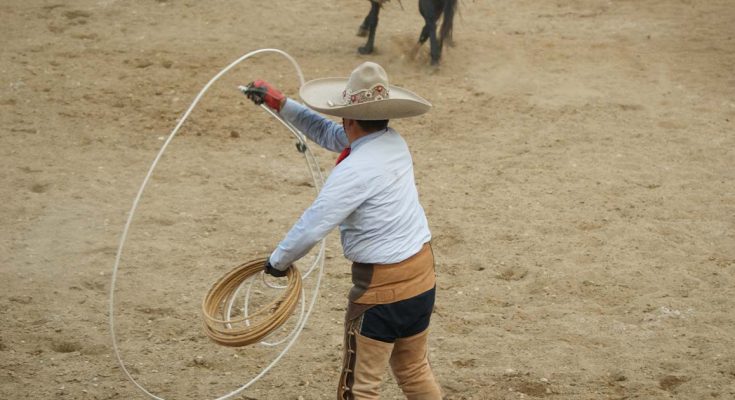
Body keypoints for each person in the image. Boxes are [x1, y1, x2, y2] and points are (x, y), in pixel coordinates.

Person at [244, 61, 442, 400]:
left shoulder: (354, 171)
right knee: (413, 370)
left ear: (348, 118)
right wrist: (281, 104)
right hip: (422, 280)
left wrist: (277, 262)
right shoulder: (392, 143)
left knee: (359, 388)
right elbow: (329, 133)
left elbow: (314, 223)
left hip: (380, 293)